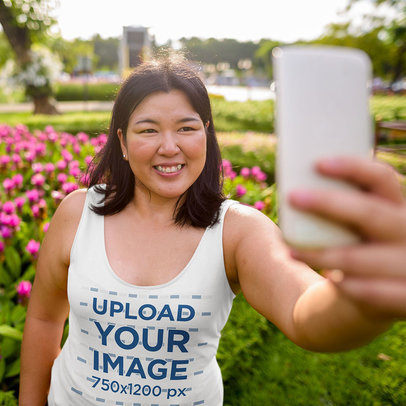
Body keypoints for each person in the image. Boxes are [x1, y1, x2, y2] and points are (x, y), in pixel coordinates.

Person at [19, 54, 406, 406]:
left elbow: (305, 312)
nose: (169, 147)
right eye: (148, 130)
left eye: (186, 128)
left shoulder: (237, 230)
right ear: (121, 141)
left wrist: (362, 299)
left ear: (206, 133)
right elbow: (44, 320)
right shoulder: (78, 212)